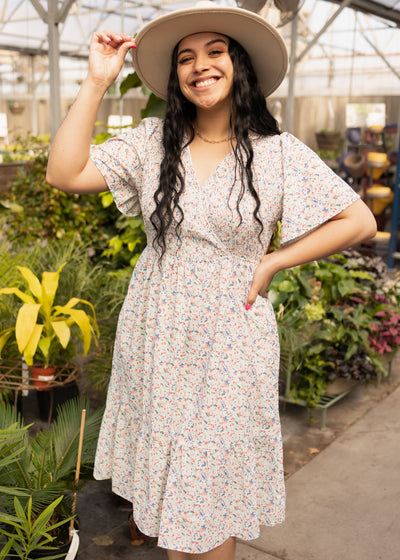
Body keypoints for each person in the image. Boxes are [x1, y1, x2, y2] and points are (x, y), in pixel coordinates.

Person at [46, 2, 377, 558]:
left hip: (229, 336)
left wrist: (273, 261)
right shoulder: (154, 142)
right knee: (175, 496)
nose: (201, 65)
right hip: (156, 331)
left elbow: (359, 220)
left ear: (238, 63)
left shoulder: (277, 154)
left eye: (215, 51)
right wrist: (97, 82)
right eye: (186, 58)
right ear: (176, 76)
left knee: (206, 492)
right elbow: (64, 172)